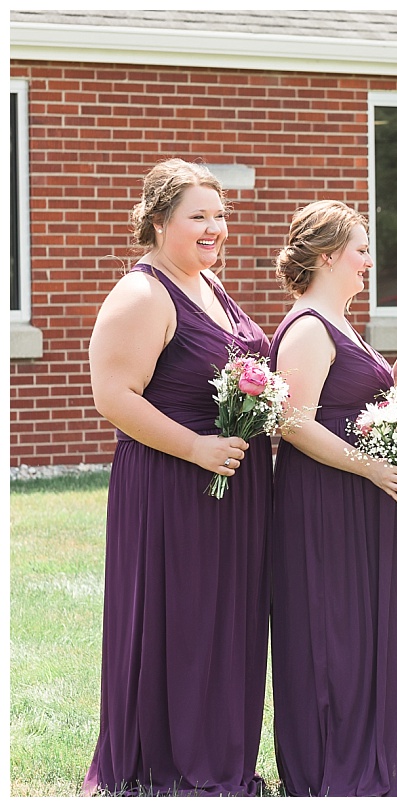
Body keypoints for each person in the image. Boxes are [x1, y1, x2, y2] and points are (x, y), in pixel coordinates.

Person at [84, 159, 270, 795]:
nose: (214, 227)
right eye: (199, 216)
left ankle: (220, 758)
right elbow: (113, 394)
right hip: (172, 483)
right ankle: (171, 763)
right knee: (182, 619)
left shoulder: (209, 285)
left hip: (229, 483)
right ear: (160, 221)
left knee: (225, 619)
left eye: (220, 215)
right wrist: (195, 448)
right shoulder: (142, 294)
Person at [269, 201, 397, 796]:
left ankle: (370, 752)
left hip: (356, 494)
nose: (368, 261)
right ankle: (330, 765)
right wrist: (371, 468)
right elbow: (291, 422)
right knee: (331, 628)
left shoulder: (337, 322)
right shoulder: (309, 327)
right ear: (327, 256)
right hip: (324, 500)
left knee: (359, 629)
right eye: (360, 249)